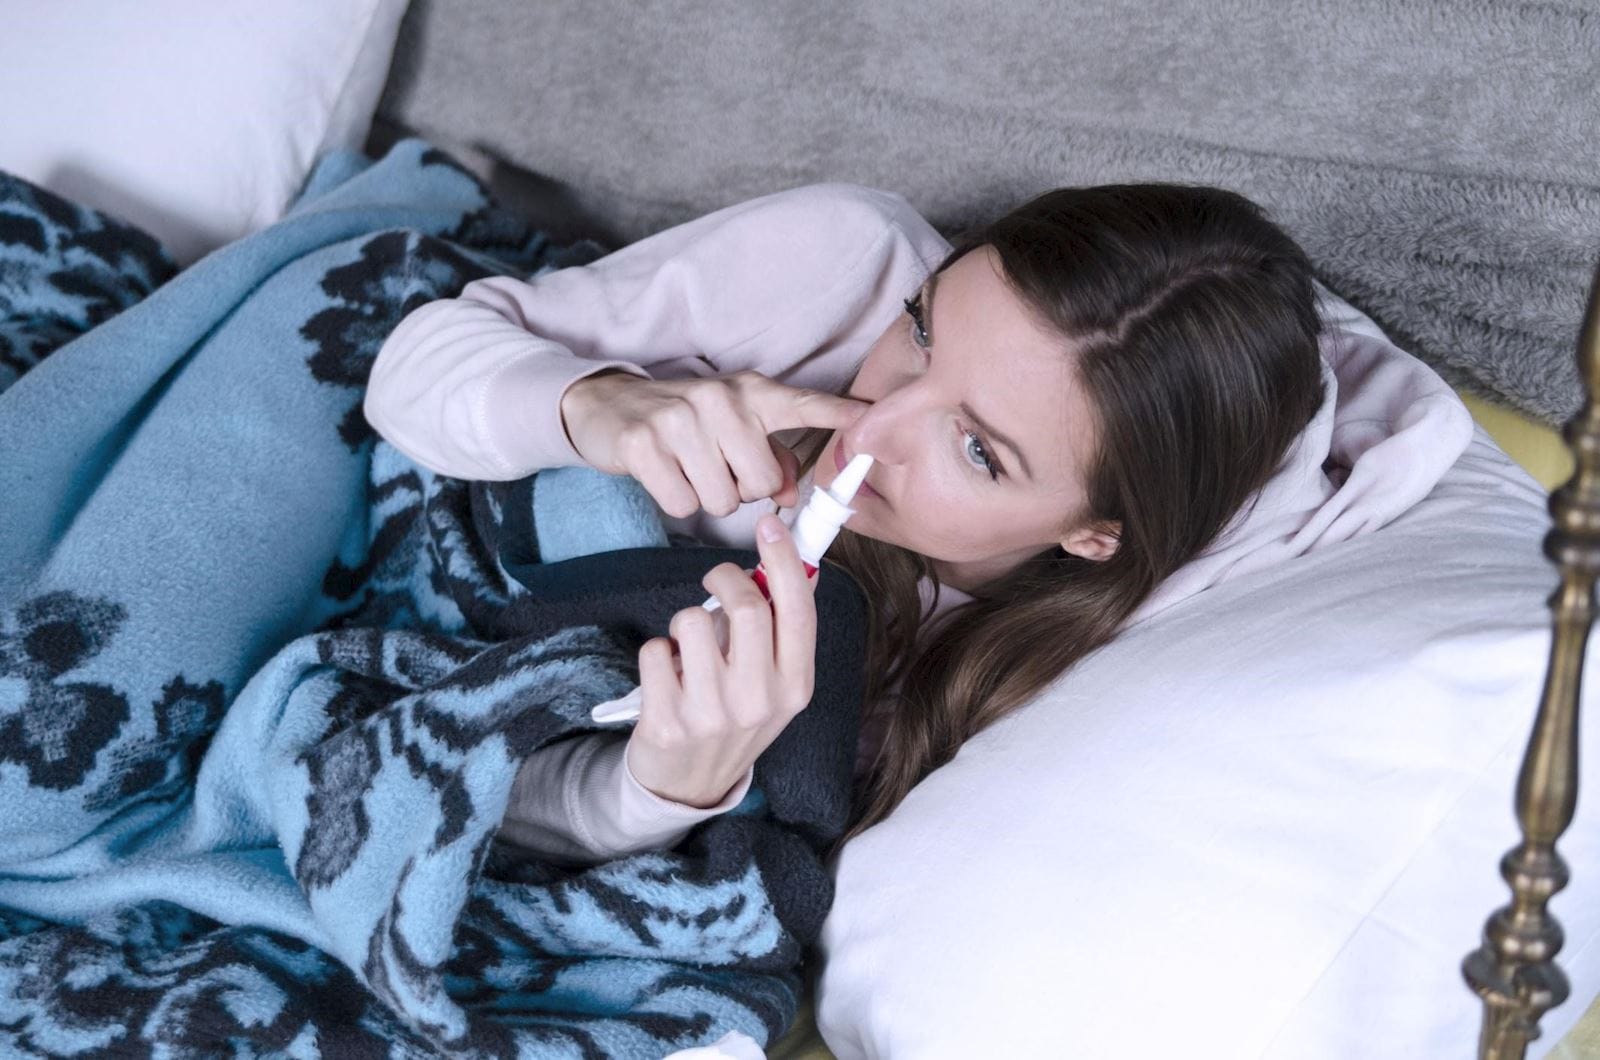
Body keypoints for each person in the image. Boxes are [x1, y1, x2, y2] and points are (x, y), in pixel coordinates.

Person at [363, 179, 1344, 866]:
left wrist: (656, 790)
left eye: (977, 451)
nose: (872, 423)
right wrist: (594, 403)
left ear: (1094, 534)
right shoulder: (839, 262)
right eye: (920, 331)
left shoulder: (1045, 698)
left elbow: (489, 806)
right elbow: (404, 373)